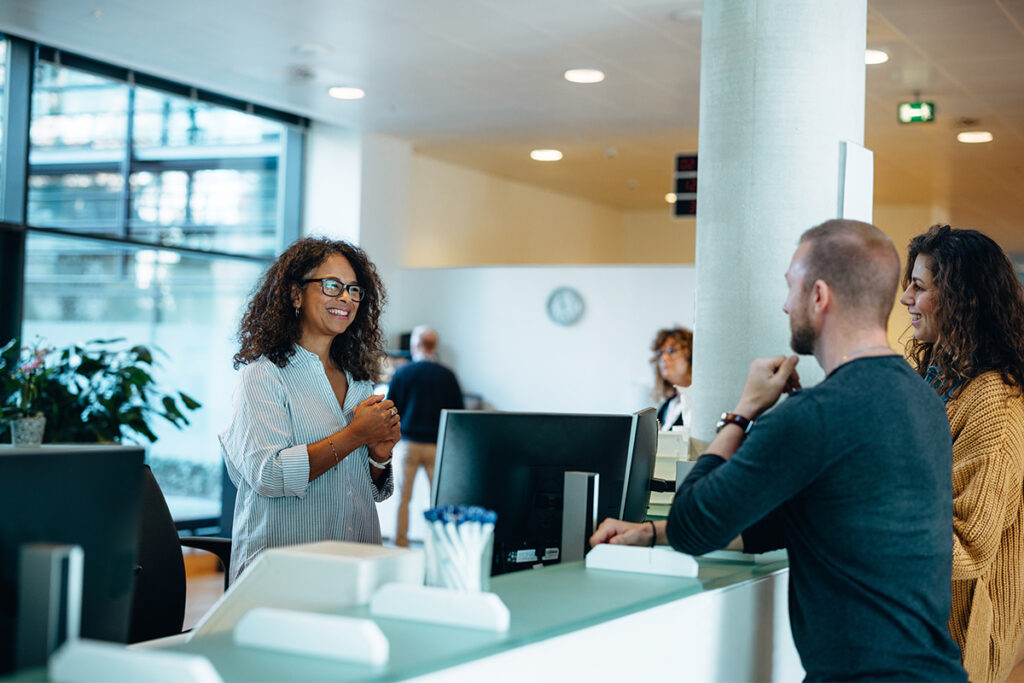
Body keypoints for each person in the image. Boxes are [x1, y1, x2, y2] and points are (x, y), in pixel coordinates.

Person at [591, 219, 966, 681]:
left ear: (819, 296)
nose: (784, 303)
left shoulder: (815, 414)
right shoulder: (922, 401)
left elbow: (694, 526)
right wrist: (650, 533)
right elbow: (777, 525)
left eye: (791, 286)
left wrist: (743, 411)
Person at [220, 237, 401, 582]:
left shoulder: (359, 382)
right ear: (295, 294)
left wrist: (379, 456)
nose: (346, 298)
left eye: (354, 290)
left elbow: (363, 489)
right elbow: (269, 475)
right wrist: (355, 434)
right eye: (332, 286)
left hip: (356, 566)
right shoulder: (263, 375)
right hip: (282, 573)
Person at [899, 225, 1024, 683]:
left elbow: (967, 547)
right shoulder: (941, 379)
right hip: (921, 625)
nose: (905, 299)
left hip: (957, 643)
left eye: (920, 286)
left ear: (959, 297)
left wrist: (869, 514)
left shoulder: (993, 399)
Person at [387, 325, 464, 547]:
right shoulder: (447, 375)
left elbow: (392, 409)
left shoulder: (402, 373)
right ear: (435, 346)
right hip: (436, 447)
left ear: (415, 345)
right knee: (437, 499)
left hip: (409, 445)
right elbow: (456, 414)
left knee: (403, 498)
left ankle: (400, 542)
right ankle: (438, 542)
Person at [651, 327, 693, 431]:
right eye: (660, 353)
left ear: (691, 355)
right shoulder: (666, 407)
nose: (663, 358)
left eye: (671, 350)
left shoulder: (700, 404)